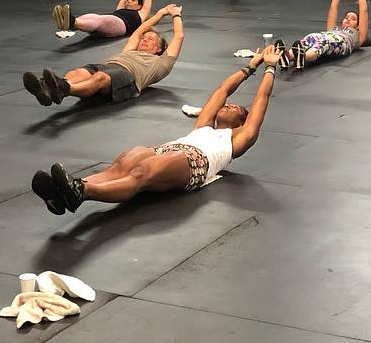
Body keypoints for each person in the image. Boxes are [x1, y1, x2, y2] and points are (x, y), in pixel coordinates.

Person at [31, 44, 281, 215]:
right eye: (230, 104)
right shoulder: (204, 125)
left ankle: (82, 192)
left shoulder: (239, 138)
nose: (230, 105)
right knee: (123, 164)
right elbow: (222, 91)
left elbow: (262, 98)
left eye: (237, 108)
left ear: (242, 122)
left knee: (141, 173)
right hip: (168, 149)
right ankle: (64, 192)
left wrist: (269, 67)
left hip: (194, 161)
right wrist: (250, 67)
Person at [21, 3, 184, 107]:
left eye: (150, 39)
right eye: (144, 38)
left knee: (100, 78)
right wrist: (160, 13)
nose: (144, 40)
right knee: (78, 72)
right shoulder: (130, 51)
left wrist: (175, 14)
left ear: (159, 48)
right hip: (107, 66)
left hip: (129, 77)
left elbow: (179, 36)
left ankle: (65, 89)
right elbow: (139, 31)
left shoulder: (161, 63)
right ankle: (48, 90)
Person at [281, 0, 370, 69]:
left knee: (324, 44)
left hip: (340, 42)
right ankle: (288, 56)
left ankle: (303, 57)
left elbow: (364, 11)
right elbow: (333, 7)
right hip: (323, 36)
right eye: (346, 17)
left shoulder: (358, 36)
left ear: (358, 26)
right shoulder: (333, 28)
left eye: (353, 19)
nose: (348, 19)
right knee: (310, 38)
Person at [52, 0, 155, 38]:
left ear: (139, 5)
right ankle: (71, 24)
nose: (128, 1)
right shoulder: (120, 9)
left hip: (121, 25)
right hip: (109, 24)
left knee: (101, 20)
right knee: (92, 16)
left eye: (133, 0)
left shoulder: (142, 13)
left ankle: (72, 22)